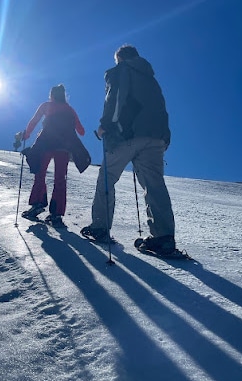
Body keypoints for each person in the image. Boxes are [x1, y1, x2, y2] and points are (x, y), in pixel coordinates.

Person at [81, 44, 177, 255]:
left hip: (127, 135)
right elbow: (162, 109)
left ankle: (100, 227)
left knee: (106, 177)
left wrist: (106, 125)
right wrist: (164, 138)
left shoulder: (121, 71)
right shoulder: (151, 79)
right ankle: (164, 238)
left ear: (121, 58)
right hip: (156, 138)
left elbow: (114, 99)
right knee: (154, 185)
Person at [18, 84, 90, 227]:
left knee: (40, 173)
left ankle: (37, 204)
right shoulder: (70, 110)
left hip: (45, 144)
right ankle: (56, 215)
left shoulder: (46, 105)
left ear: (51, 94)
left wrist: (26, 134)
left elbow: (34, 121)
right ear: (64, 95)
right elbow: (81, 131)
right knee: (60, 179)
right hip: (63, 148)